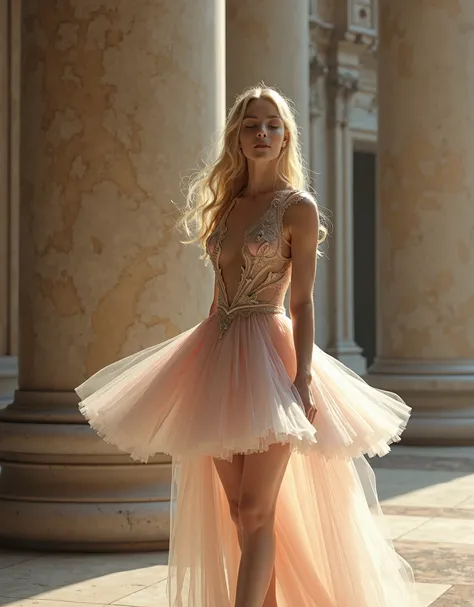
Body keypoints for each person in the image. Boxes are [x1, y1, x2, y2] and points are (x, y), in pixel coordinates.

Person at [76, 85, 420, 607]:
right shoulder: (226, 207)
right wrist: (198, 365)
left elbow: (302, 303)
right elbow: (219, 295)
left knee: (258, 507)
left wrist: (301, 375)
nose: (262, 133)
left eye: (273, 125)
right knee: (238, 507)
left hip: (272, 354)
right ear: (236, 136)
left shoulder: (297, 208)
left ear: (286, 139)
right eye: (251, 124)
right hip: (215, 351)